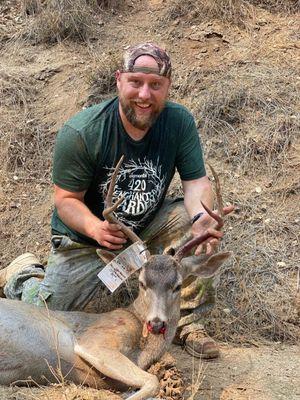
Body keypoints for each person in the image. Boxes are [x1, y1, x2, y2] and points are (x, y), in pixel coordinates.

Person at [1, 43, 233, 359]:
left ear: (168, 87)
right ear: (119, 80)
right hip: (86, 242)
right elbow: (66, 200)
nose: (144, 95)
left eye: (155, 85)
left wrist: (201, 218)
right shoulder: (84, 131)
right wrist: (96, 228)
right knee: (47, 315)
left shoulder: (178, 123)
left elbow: (195, 183)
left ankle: (187, 323)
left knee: (192, 225)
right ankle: (24, 273)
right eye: (136, 82)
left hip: (144, 232)